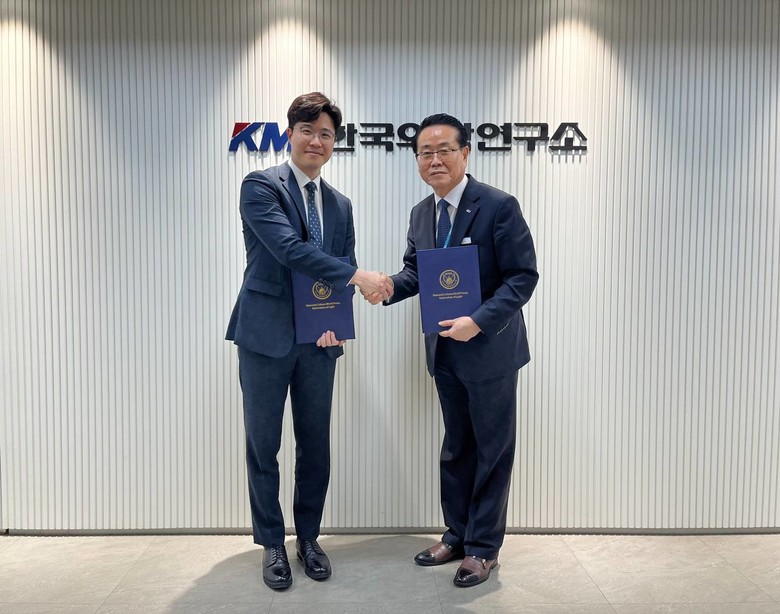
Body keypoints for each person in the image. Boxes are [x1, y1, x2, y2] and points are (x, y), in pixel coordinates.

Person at [365, 113, 538, 587]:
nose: (435, 159)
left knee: (492, 450)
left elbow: (522, 276)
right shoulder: (422, 213)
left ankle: (483, 548)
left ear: (465, 153)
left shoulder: (498, 206)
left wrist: (477, 321)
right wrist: (386, 288)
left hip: (490, 351)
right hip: (444, 352)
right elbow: (416, 273)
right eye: (426, 152)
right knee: (457, 446)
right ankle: (457, 535)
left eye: (444, 150)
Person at [226, 92, 389, 591]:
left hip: (319, 339)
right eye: (307, 130)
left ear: (334, 142)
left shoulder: (340, 204)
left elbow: (342, 266)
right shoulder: (260, 186)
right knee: (264, 445)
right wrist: (362, 277)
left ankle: (310, 539)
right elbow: (290, 249)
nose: (316, 141)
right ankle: (272, 543)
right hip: (265, 336)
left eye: (326, 134)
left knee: (315, 444)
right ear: (290, 133)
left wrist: (340, 312)